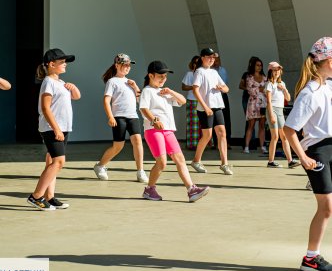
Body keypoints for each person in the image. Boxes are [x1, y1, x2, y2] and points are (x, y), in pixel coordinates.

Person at [284, 37, 332, 271]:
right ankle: (311, 259)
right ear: (330, 62)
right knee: (326, 208)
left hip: (331, 146)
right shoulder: (310, 93)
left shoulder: (328, 85)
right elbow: (289, 129)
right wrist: (302, 158)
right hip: (317, 150)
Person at [139, 60, 209, 202]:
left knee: (180, 159)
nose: (163, 79)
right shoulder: (147, 91)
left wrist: (170, 91)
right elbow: (144, 109)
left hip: (168, 130)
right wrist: (154, 120)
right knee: (162, 162)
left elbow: (182, 100)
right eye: (160, 76)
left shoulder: (164, 92)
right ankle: (149, 189)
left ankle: (191, 190)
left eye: (165, 76)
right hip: (153, 130)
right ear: (150, 75)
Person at [27, 48, 81, 211]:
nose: (65, 65)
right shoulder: (48, 82)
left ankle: (49, 197)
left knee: (52, 161)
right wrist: (56, 129)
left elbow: (77, 97)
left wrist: (73, 88)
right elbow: (45, 108)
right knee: (59, 161)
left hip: (63, 128)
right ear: (51, 64)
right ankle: (36, 196)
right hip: (52, 128)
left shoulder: (62, 83)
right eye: (62, 62)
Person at [93, 53, 148, 183]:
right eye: (125, 65)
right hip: (119, 117)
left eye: (129, 65)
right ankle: (100, 165)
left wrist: (135, 87)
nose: (127, 67)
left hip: (133, 116)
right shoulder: (112, 82)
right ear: (117, 65)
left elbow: (141, 100)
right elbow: (106, 101)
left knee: (138, 142)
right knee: (118, 146)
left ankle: (140, 171)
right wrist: (110, 116)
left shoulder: (130, 82)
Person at [191, 48, 233, 175]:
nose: (212, 59)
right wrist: (205, 107)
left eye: (213, 57)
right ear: (202, 57)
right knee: (207, 135)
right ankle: (196, 161)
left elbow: (227, 88)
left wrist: (222, 88)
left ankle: (224, 163)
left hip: (218, 106)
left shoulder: (214, 72)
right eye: (209, 57)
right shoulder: (199, 72)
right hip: (205, 108)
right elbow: (195, 90)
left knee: (222, 134)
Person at [265, 61, 300, 168]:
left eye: (278, 70)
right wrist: (271, 115)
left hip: (280, 110)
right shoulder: (269, 84)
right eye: (274, 70)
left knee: (284, 136)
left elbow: (288, 98)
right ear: (270, 71)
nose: (277, 72)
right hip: (273, 110)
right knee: (275, 136)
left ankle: (290, 161)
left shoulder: (282, 84)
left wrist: (284, 89)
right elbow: (269, 101)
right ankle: (271, 161)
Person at [243, 57, 267, 154]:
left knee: (262, 125)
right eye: (257, 65)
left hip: (263, 103)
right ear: (253, 66)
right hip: (253, 103)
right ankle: (246, 147)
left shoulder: (264, 77)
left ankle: (262, 146)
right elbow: (250, 91)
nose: (259, 67)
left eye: (260, 65)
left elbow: (267, 89)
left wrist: (261, 90)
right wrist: (260, 89)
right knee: (251, 125)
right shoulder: (249, 77)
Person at [181, 55, 201, 150]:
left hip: (203, 100)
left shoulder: (203, 73)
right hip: (192, 100)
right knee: (193, 123)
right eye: (195, 62)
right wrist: (194, 87)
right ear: (192, 64)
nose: (197, 64)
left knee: (203, 123)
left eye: (199, 62)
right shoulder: (189, 74)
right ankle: (192, 144)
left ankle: (203, 144)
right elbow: (183, 87)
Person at [212, 55, 232, 149]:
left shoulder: (223, 70)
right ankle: (215, 142)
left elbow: (225, 84)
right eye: (214, 59)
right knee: (213, 119)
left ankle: (227, 141)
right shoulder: (208, 71)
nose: (216, 61)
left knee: (226, 118)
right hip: (212, 96)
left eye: (218, 59)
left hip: (223, 95)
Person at [239, 56, 258, 149]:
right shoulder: (246, 74)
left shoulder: (259, 74)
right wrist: (249, 89)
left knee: (254, 121)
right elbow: (240, 85)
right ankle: (249, 142)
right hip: (247, 98)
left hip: (257, 99)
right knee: (249, 120)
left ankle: (251, 142)